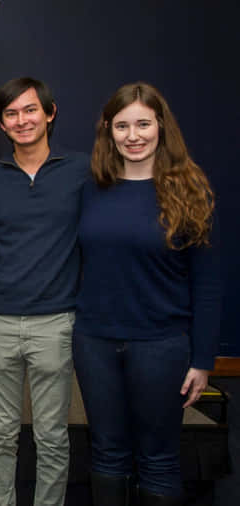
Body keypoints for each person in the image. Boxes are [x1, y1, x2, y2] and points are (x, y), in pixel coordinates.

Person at [75, 82, 220, 506]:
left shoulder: (190, 188)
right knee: (106, 453)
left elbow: (208, 284)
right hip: (94, 342)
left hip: (161, 345)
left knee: (158, 459)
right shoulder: (92, 188)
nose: (133, 135)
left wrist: (203, 360)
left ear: (161, 127)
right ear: (108, 130)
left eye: (143, 123)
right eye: (122, 125)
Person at [0, 77, 89, 506]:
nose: (22, 120)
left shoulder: (82, 171)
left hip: (56, 322)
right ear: (2, 126)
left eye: (29, 110)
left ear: (50, 112)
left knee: (52, 436)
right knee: (0, 434)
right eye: (11, 114)